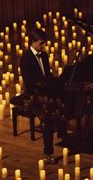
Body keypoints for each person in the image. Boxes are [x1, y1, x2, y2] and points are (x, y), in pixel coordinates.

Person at [20, 27, 68, 164]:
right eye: (41, 43)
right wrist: (44, 86)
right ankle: (48, 152)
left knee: (61, 103)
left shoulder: (44, 56)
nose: (43, 46)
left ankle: (63, 134)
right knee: (48, 116)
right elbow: (29, 81)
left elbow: (47, 75)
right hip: (33, 94)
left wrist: (53, 83)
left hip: (45, 90)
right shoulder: (26, 58)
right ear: (34, 42)